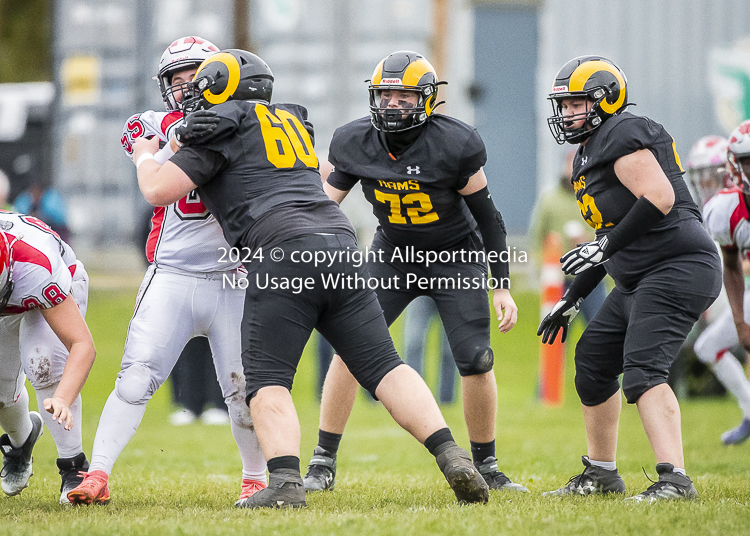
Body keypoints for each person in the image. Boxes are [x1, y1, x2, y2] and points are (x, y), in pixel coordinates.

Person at [132, 48, 490, 508]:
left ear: (217, 88)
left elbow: (157, 190)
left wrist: (146, 153)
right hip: (339, 242)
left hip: (281, 252)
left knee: (267, 379)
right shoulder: (290, 123)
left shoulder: (216, 129)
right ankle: (451, 454)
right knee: (385, 365)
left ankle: (283, 484)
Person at [303, 50, 524, 494]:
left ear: (426, 100)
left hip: (455, 256)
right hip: (393, 254)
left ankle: (488, 467)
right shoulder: (354, 142)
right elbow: (323, 210)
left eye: (404, 96)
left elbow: (488, 218)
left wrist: (501, 284)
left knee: (475, 357)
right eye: (385, 94)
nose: (392, 104)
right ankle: (322, 463)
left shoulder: (455, 144)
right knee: (351, 347)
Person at [67, 37, 267, 507]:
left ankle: (255, 478)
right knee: (136, 379)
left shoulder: (245, 125)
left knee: (242, 388)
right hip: (173, 274)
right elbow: (140, 141)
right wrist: (158, 147)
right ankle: (97, 474)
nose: (185, 87)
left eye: (195, 77)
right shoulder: (155, 124)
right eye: (176, 80)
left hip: (233, 277)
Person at [538, 55, 721, 501]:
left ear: (605, 100)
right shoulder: (590, 151)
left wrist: (603, 247)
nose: (567, 113)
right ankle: (601, 473)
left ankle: (675, 480)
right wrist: (573, 297)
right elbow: (609, 238)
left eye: (577, 103)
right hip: (640, 275)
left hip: (677, 265)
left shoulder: (621, 131)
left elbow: (657, 198)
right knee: (594, 362)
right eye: (563, 105)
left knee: (643, 370)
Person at [0, 211, 95, 503]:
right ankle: (21, 441)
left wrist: (63, 397)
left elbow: (82, 345)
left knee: (44, 363)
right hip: (12, 296)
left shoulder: (34, 267)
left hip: (55, 288)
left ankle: (74, 467)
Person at [698, 125, 750, 444]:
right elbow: (730, 265)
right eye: (747, 160)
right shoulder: (725, 211)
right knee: (707, 346)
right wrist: (740, 322)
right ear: (733, 164)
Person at [529, 150, 607, 324]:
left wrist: (587, 240)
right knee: (555, 335)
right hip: (559, 280)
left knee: (599, 329)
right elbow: (536, 237)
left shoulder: (595, 199)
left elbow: (607, 235)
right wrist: (544, 270)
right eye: (571, 165)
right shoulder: (550, 200)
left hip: (591, 277)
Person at [403, 296, 456, 404]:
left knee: (450, 350)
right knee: (414, 343)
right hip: (420, 287)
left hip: (452, 287)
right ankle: (414, 395)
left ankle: (446, 401)